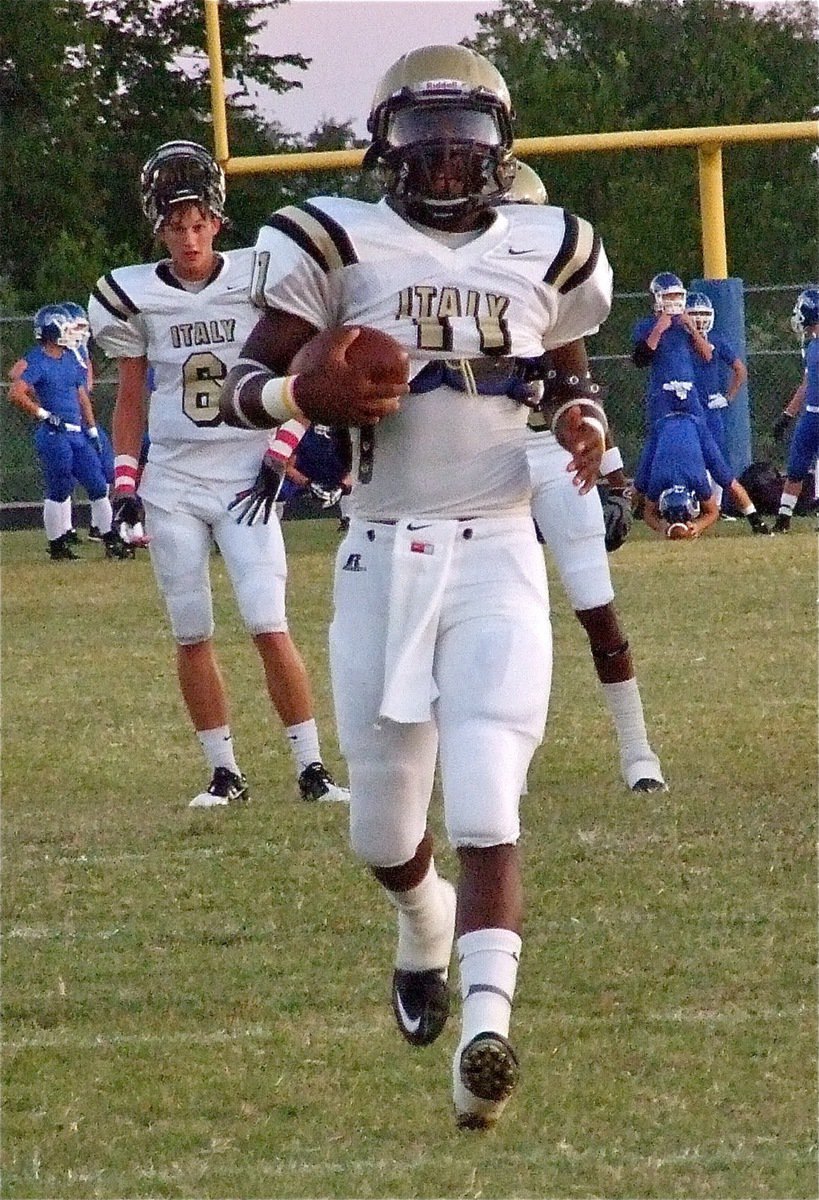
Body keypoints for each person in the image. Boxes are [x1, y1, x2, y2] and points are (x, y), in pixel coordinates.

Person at [218, 45, 612, 1129]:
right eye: (423, 139)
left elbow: (564, 378)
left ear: (504, 150)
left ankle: (488, 1027)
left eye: (469, 140)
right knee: (384, 833)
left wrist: (582, 422)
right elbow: (232, 385)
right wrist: (307, 387)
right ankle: (422, 921)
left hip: (497, 547)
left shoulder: (552, 244)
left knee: (488, 782)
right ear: (381, 146)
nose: (446, 162)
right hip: (380, 551)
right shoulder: (335, 238)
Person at [87, 140, 349, 808]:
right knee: (191, 628)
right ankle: (224, 771)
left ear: (216, 220)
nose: (188, 235)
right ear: (158, 227)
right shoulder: (132, 293)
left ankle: (312, 768)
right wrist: (123, 485)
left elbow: (300, 373)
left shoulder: (259, 278)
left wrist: (282, 448)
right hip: (172, 480)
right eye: (175, 225)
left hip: (244, 474)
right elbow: (129, 397)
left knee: (268, 620)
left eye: (197, 221)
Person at [507, 159, 666, 793]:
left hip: (546, 453)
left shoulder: (551, 289)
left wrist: (607, 452)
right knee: (496, 618)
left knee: (595, 604)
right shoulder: (443, 279)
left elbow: (577, 389)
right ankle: (500, 764)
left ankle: (637, 752)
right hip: (475, 460)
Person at [632, 274, 770, 535]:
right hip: (662, 397)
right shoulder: (647, 325)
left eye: (677, 296)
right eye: (669, 296)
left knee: (712, 453)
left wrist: (692, 329)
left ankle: (752, 517)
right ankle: (629, 514)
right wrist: (659, 329)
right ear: (657, 298)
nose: (674, 301)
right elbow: (640, 359)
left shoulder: (686, 328)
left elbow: (707, 355)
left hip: (691, 398)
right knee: (653, 453)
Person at [7, 304, 126, 561]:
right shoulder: (38, 360)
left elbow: (81, 395)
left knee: (96, 483)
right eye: (68, 327)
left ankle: (110, 538)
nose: (74, 333)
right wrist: (43, 414)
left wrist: (92, 427)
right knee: (59, 487)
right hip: (54, 433)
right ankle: (57, 544)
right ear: (53, 329)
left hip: (76, 432)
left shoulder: (71, 357)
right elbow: (15, 392)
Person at [684, 291, 748, 516]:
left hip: (710, 408)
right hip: (688, 407)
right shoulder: (679, 340)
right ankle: (693, 504)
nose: (700, 320)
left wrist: (728, 397)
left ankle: (717, 507)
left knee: (716, 459)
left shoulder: (717, 340)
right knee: (690, 457)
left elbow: (740, 370)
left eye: (703, 315)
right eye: (694, 315)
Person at [771, 287, 819, 532]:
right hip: (811, 413)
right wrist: (787, 416)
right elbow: (807, 382)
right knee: (796, 466)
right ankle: (783, 518)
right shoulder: (810, 344)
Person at [632, 410, 720, 539]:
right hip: (677, 425)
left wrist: (698, 526)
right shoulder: (662, 480)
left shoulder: (696, 479)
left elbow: (649, 513)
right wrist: (697, 526)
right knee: (639, 484)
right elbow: (713, 511)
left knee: (725, 476)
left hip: (689, 424)